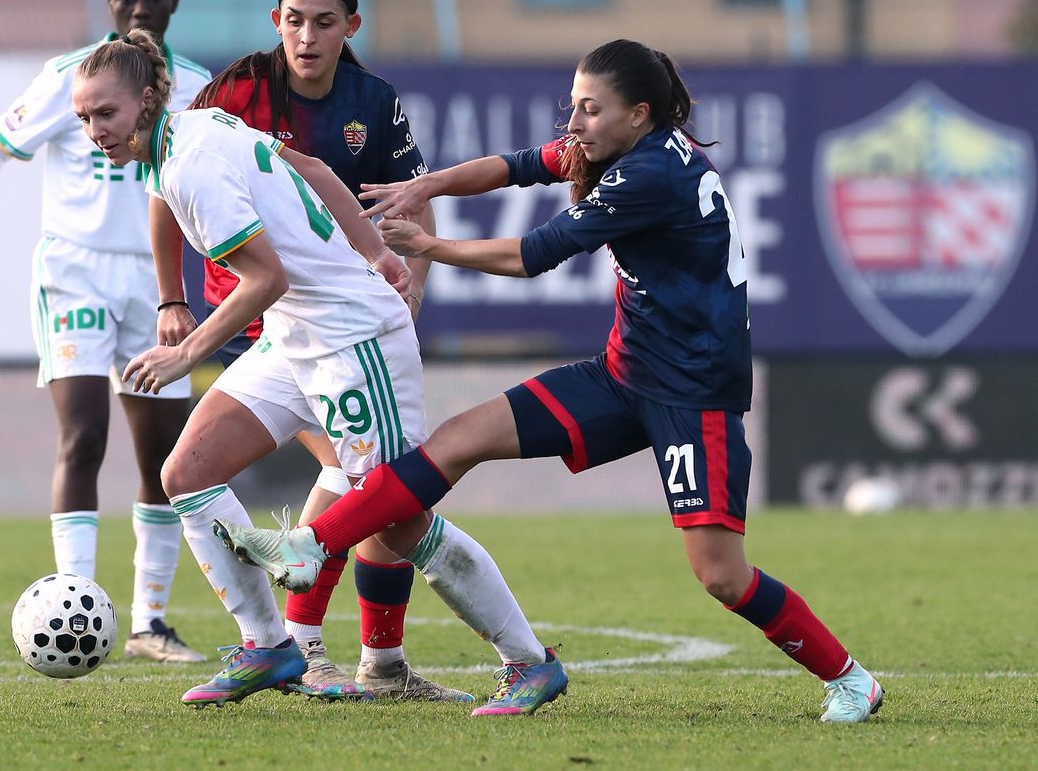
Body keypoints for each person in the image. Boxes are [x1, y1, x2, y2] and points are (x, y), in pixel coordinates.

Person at [217, 39, 886, 724]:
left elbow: (534, 254)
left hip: (692, 396)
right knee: (455, 440)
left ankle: (849, 679)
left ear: (639, 115)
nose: (575, 123)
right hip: (623, 375)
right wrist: (428, 185)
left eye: (590, 109)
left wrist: (429, 247)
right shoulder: (618, 145)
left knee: (720, 575)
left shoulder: (649, 174)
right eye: (572, 105)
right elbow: (516, 166)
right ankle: (316, 548)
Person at [70, 27, 558, 713]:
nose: (94, 131)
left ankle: (529, 661)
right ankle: (269, 646)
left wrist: (185, 352)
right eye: (84, 118)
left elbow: (262, 277)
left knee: (395, 520)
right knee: (185, 474)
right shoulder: (199, 124)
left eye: (106, 114)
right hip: (293, 336)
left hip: (351, 339)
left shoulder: (189, 165)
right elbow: (318, 173)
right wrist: (378, 257)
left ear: (147, 101)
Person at [161, 0, 458, 702]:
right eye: (294, 19)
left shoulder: (371, 102)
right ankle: (327, 653)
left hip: (333, 320)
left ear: (349, 28)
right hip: (259, 321)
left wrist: (408, 276)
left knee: (367, 487)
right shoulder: (234, 92)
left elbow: (407, 201)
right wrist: (173, 300)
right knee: (377, 490)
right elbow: (165, 193)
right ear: (275, 23)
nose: (307, 34)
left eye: (324, 21)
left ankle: (325, 653)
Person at [0, 0, 210, 663]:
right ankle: (78, 603)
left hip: (158, 286)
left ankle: (150, 623)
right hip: (74, 275)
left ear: (172, 3)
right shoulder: (72, 77)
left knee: (164, 456)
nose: (141, 8)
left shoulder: (198, 89)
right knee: (83, 435)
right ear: (113, 4)